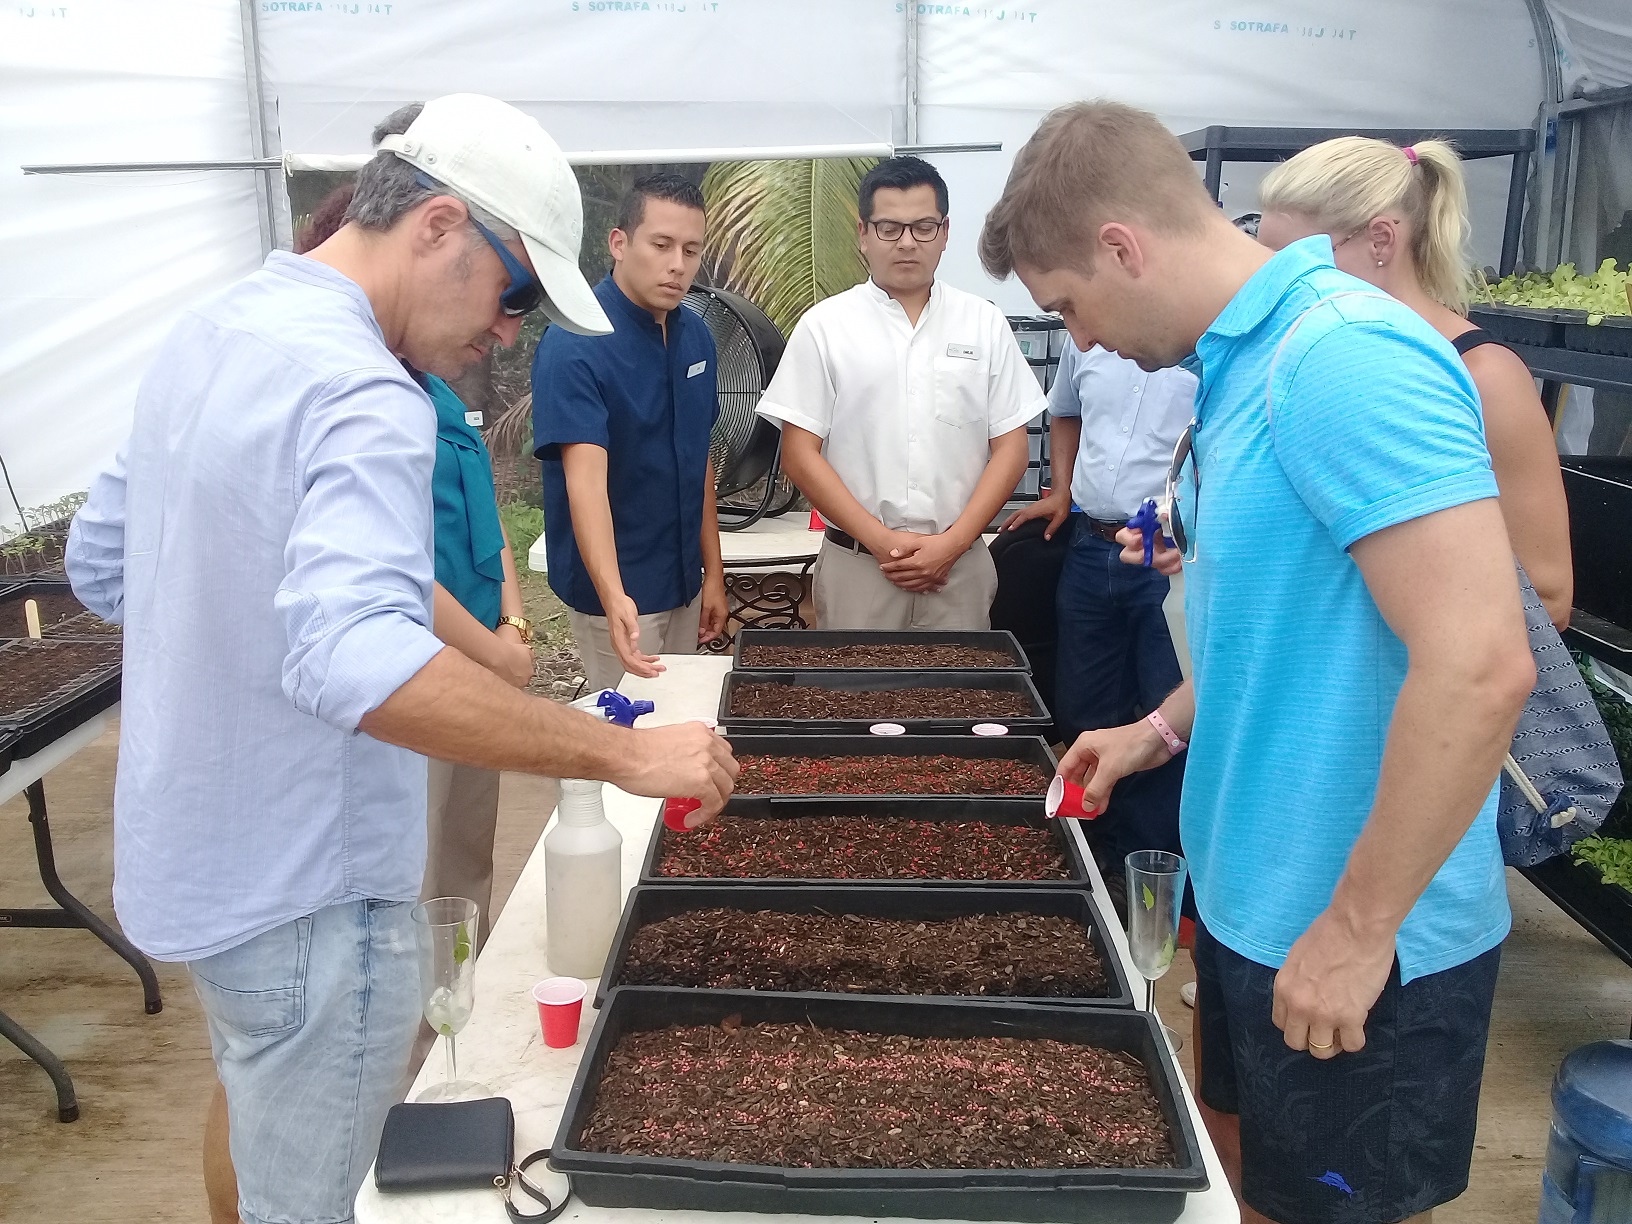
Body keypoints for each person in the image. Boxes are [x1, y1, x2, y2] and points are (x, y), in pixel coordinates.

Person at [66, 94, 736, 1224]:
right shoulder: (366, 387)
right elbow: (357, 663)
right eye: (513, 293)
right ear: (437, 225)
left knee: (263, 1139)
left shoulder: (213, 331)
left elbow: (103, 565)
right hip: (313, 895)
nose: (508, 333)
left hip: (197, 869)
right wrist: (623, 756)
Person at [979, 101, 1534, 1224]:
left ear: (1122, 247)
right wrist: (1157, 731)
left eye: (1069, 306)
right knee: (1244, 1187)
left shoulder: (1344, 358)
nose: (1081, 342)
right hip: (1253, 902)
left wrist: (1358, 931)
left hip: (1359, 934)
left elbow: (1481, 667)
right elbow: (1280, 628)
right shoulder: (1239, 369)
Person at [1256, 136, 1573, 628]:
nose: (1272, 283)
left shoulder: (1485, 375)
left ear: (1381, 240)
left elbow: (1549, 595)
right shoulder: (1303, 358)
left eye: (1295, 262)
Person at [756, 156, 1043, 630]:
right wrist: (881, 541)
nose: (907, 242)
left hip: (960, 568)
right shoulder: (825, 327)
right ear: (863, 233)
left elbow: (1011, 449)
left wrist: (952, 544)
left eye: (923, 227)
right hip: (859, 569)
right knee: (853, 681)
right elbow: (799, 454)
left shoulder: (984, 323)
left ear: (945, 232)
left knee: (960, 680)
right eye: (889, 228)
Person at [1002, 337, 1195, 877]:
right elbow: (1064, 411)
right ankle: (1094, 852)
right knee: (1083, 703)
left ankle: (1149, 865)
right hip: (1090, 543)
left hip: (1166, 549)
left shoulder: (1197, 338)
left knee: (1166, 710)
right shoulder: (1084, 338)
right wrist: (1061, 490)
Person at [532, 172, 725, 693]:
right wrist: (613, 596)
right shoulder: (576, 342)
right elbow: (585, 485)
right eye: (661, 245)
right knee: (628, 728)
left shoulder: (697, 337)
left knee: (680, 714)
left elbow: (699, 460)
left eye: (691, 250)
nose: (677, 264)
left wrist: (713, 573)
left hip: (683, 580)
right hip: (618, 593)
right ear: (619, 243)